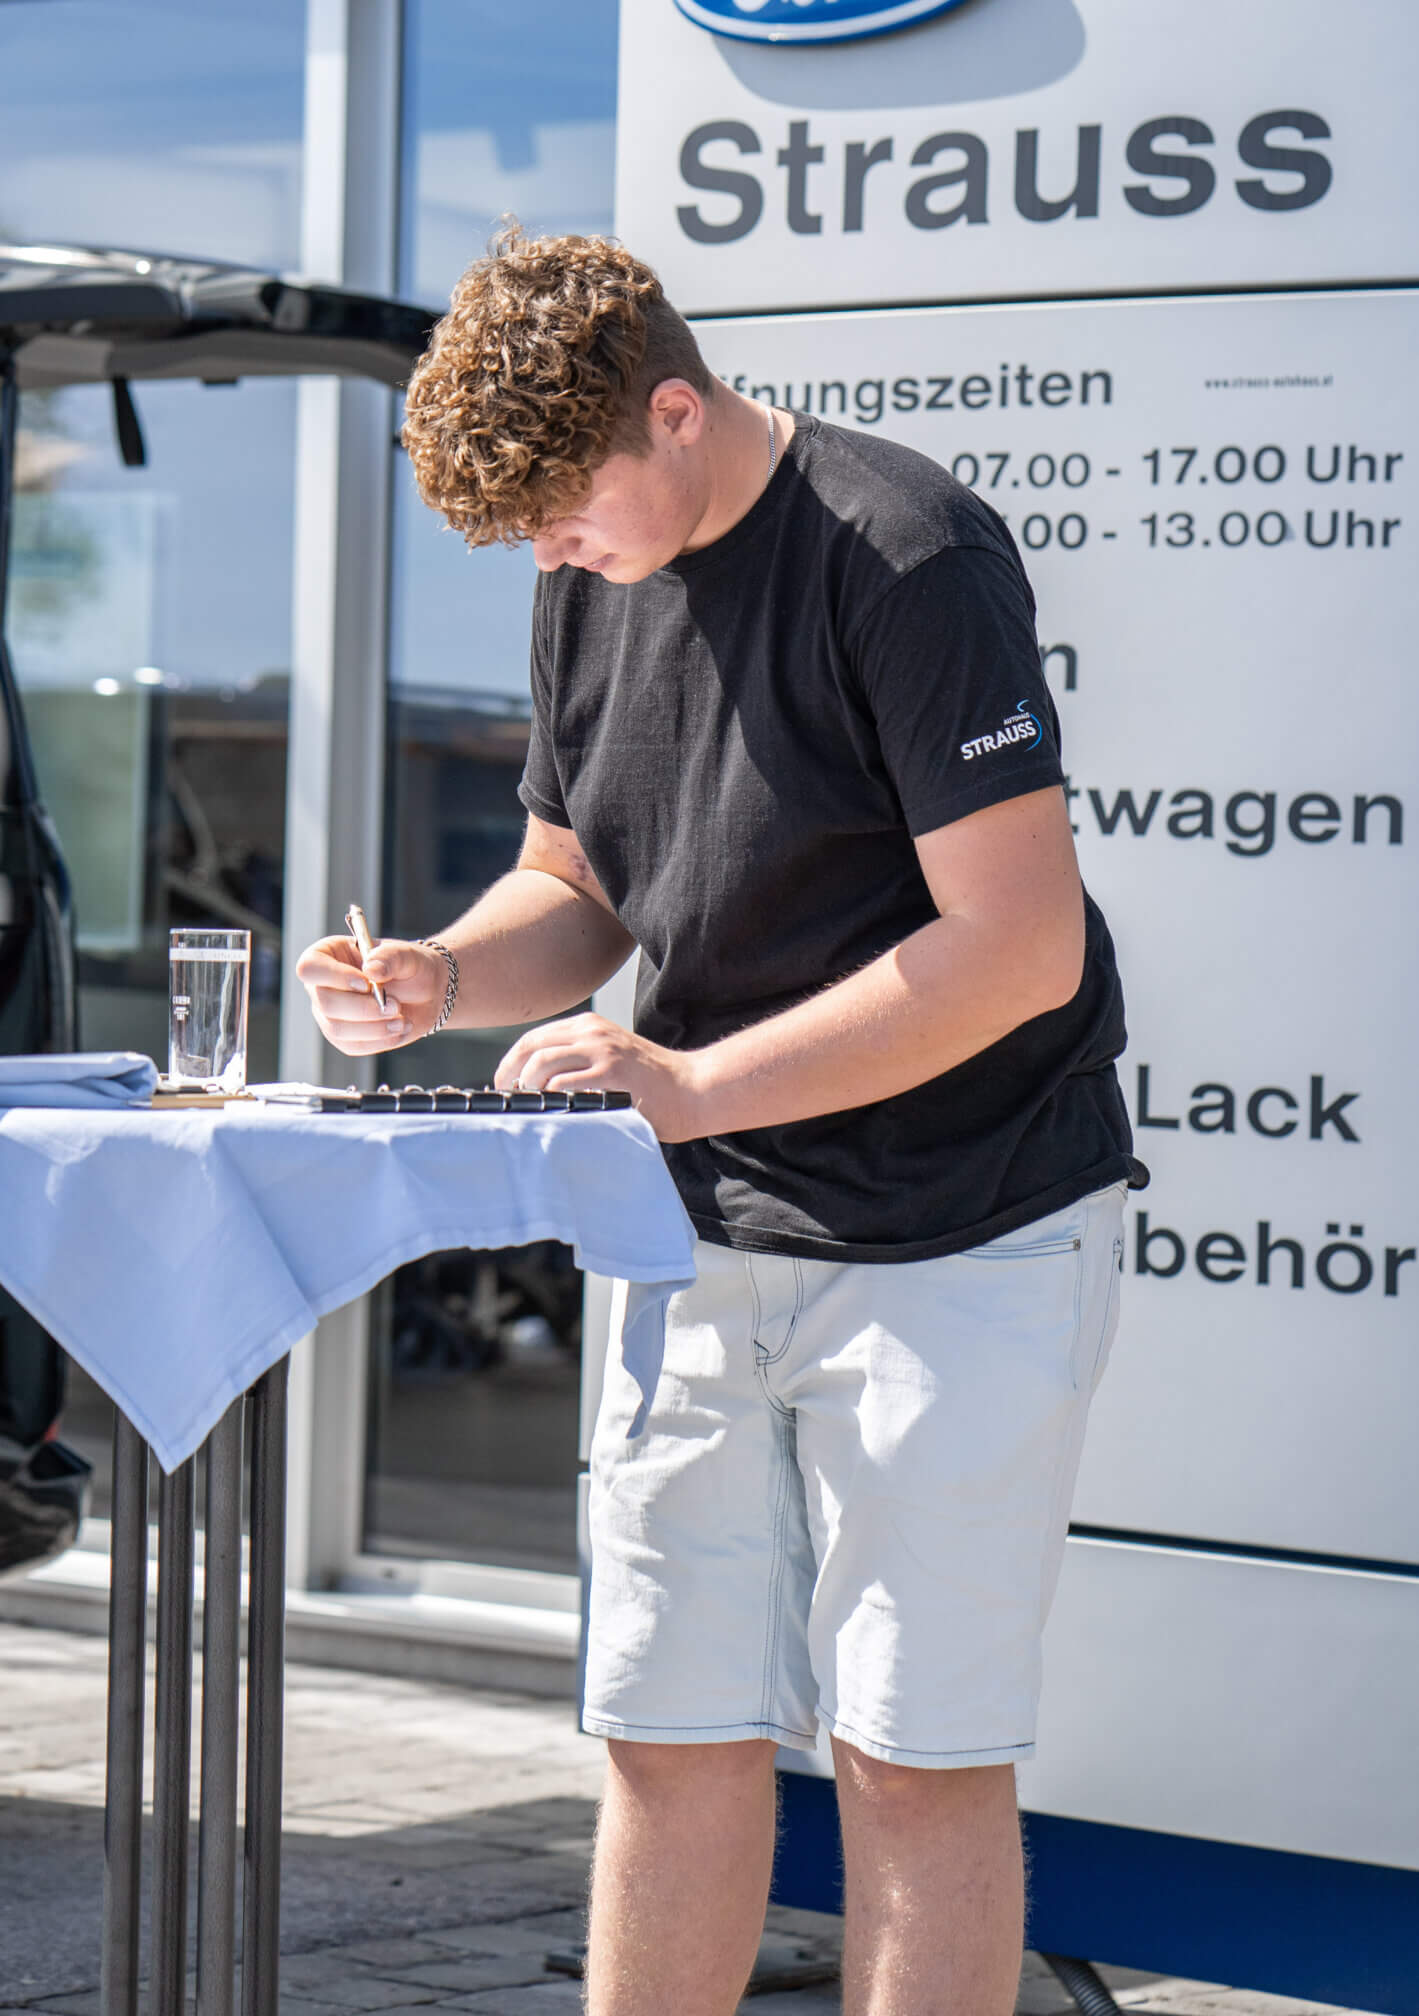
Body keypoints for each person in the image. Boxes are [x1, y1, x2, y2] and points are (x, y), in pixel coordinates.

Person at [297, 228, 1142, 2016]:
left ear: (675, 412)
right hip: (692, 1233)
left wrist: (684, 1085)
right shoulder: (586, 572)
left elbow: (1019, 947)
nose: (548, 554)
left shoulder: (905, 554)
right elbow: (580, 886)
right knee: (666, 1733)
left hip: (960, 1229)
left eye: (559, 514)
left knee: (911, 1760)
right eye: (523, 537)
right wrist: (442, 977)